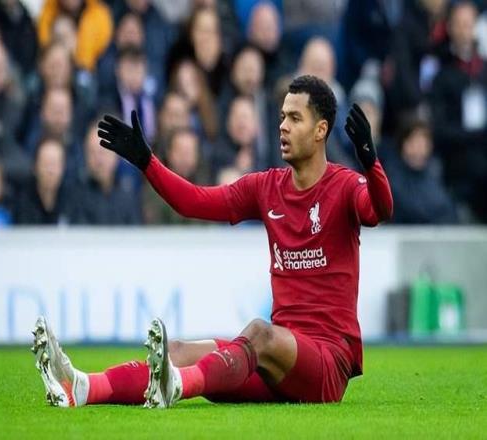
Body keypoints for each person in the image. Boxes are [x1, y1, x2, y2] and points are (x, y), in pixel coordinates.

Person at [32, 75, 393, 408]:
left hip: (326, 364)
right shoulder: (266, 187)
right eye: (282, 116)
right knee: (177, 351)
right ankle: (81, 387)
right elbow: (193, 202)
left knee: (258, 334)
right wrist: (148, 163)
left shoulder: (346, 186)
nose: (282, 126)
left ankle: (178, 385)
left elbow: (379, 210)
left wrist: (370, 162)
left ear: (320, 130)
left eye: (295, 118)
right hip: (276, 363)